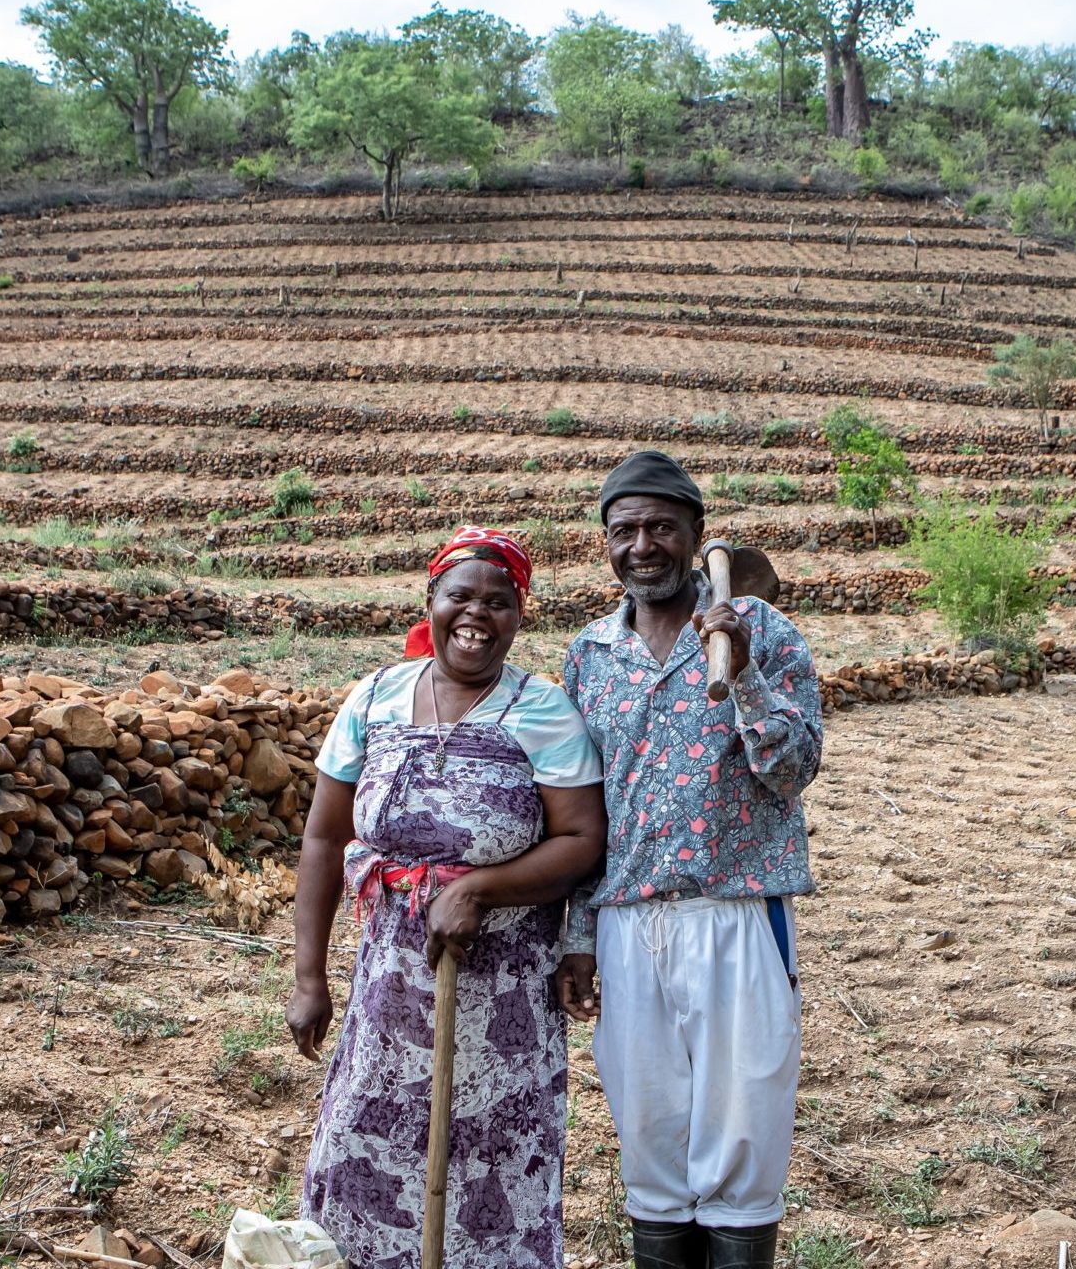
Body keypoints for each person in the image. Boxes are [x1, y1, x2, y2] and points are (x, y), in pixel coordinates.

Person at [286, 526, 609, 1269]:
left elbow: (583, 840)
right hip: (387, 991)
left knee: (491, 1167)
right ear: (429, 602)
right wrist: (310, 980)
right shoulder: (375, 698)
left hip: (504, 1003)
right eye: (460, 595)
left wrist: (480, 888)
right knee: (365, 1155)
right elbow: (324, 840)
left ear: (518, 617)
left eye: (499, 601)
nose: (477, 614)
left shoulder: (545, 712)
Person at [554, 451, 824, 1269]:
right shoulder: (590, 655)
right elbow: (584, 809)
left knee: (743, 1137)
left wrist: (741, 674)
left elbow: (793, 768)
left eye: (661, 528)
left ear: (697, 536)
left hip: (737, 915)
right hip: (629, 925)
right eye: (624, 530)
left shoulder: (764, 631)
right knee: (652, 1140)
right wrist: (579, 930)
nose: (642, 545)